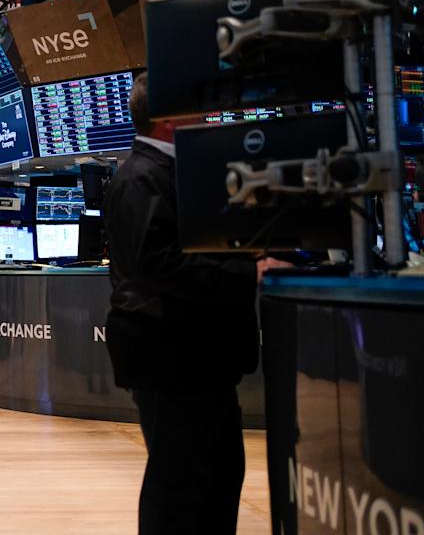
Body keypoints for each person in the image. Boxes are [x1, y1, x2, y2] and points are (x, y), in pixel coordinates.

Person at [103, 72, 289, 535]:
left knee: (217, 479)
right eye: (197, 107)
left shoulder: (167, 172)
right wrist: (248, 273)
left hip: (197, 357)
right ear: (168, 118)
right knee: (179, 489)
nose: (208, 116)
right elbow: (158, 264)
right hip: (171, 356)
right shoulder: (141, 177)